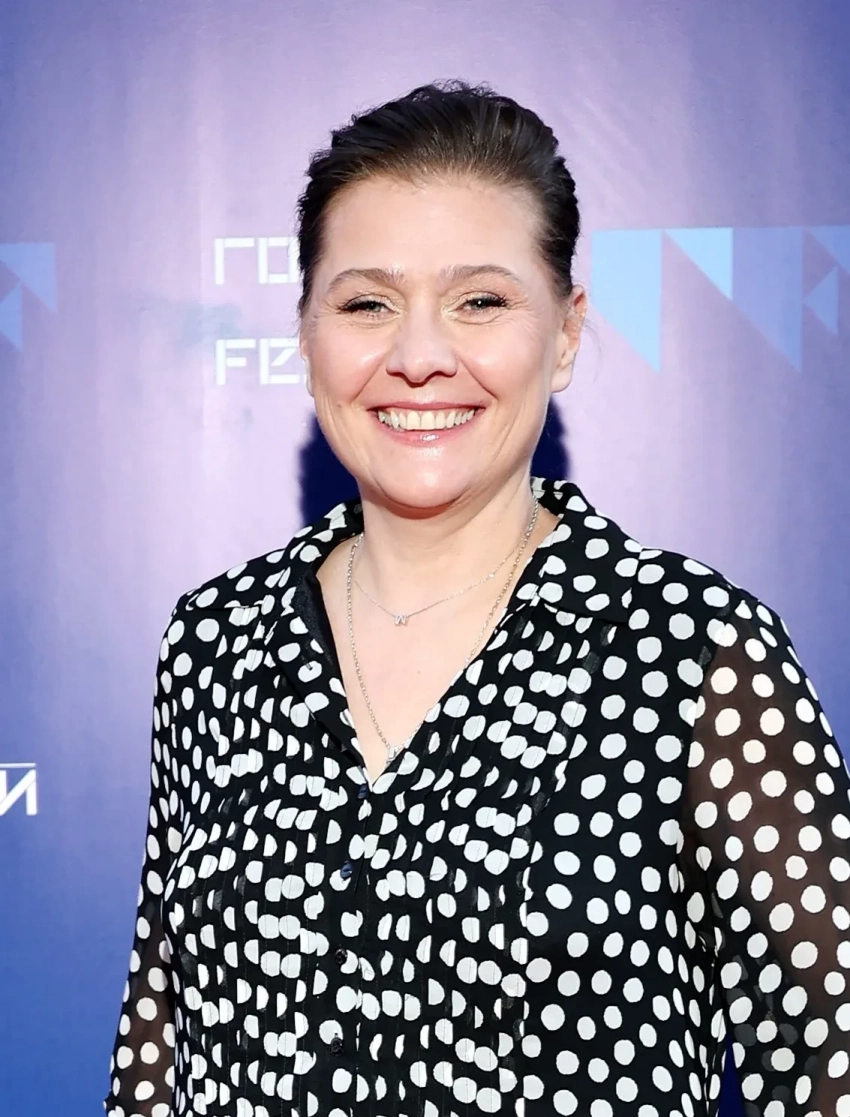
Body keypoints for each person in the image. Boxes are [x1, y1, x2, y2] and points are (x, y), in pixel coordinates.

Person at [105, 81, 850, 1117]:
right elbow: (157, 1050)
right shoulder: (216, 642)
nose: (418, 357)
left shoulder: (697, 652)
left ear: (566, 333)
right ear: (306, 335)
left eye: (480, 301)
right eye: (367, 304)